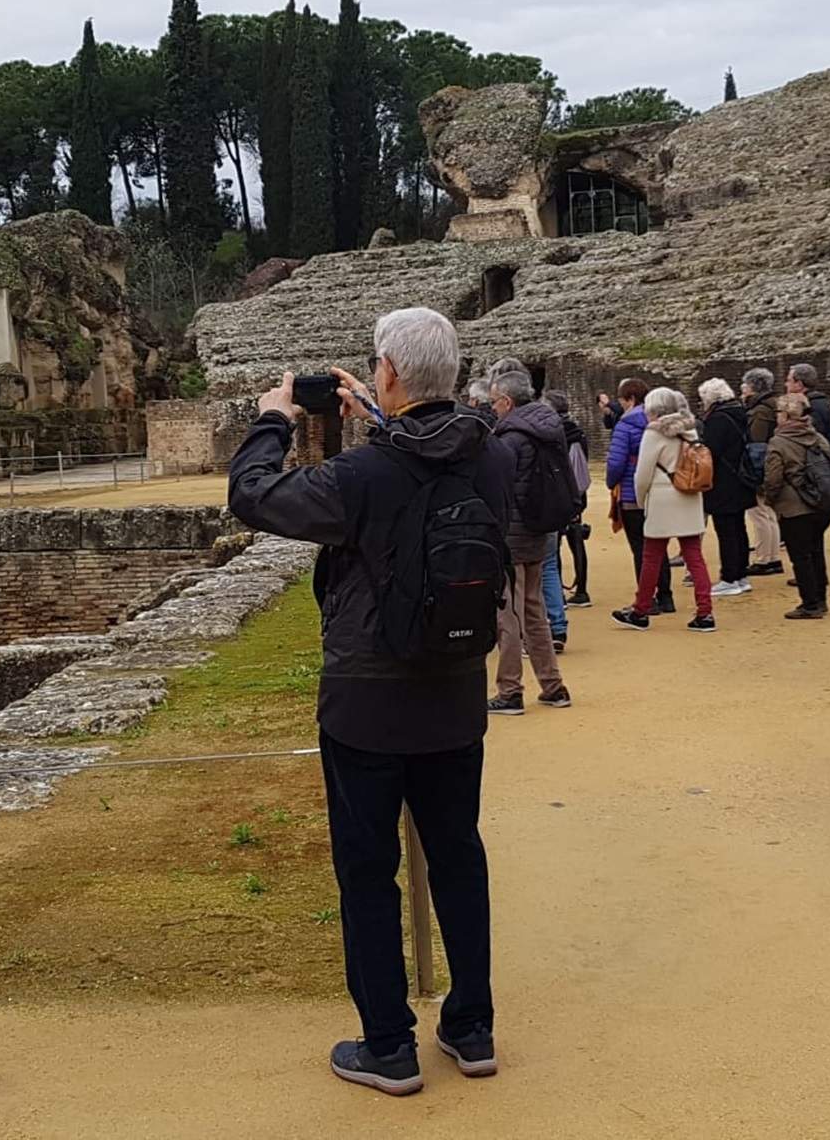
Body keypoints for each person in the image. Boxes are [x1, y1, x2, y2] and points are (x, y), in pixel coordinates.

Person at [227, 306, 503, 1097]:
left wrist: (272, 422)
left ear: (386, 371)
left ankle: (389, 1042)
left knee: (367, 868)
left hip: (367, 696)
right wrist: (381, 421)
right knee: (458, 855)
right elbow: (430, 462)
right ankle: (472, 1025)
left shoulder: (362, 476)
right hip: (453, 690)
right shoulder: (487, 458)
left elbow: (255, 496)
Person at [482, 360, 573, 715]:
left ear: (506, 402)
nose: (492, 408)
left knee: (508, 615)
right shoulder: (549, 428)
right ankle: (552, 685)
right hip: (540, 530)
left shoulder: (511, 437)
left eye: (494, 402)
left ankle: (510, 690)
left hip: (513, 535)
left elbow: (500, 488)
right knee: (534, 611)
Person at [612, 387, 716, 632]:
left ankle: (641, 609)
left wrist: (640, 501)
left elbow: (643, 474)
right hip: (689, 495)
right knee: (694, 556)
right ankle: (705, 612)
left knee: (651, 557)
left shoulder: (654, 433)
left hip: (662, 497)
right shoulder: (689, 429)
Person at [759, 393, 830, 618]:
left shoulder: (779, 442)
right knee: (815, 550)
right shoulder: (818, 438)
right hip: (821, 503)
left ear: (784, 415)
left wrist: (770, 499)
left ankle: (810, 603)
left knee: (800, 555)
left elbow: (773, 477)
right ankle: (820, 598)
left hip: (795, 506)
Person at [603, 378, 672, 614]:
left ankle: (647, 597)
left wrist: (611, 482)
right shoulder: (663, 422)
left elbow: (616, 462)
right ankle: (665, 596)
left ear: (630, 399)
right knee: (659, 543)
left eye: (622, 401)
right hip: (661, 490)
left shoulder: (626, 425)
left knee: (640, 547)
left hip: (633, 492)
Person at [697, 377, 754, 596]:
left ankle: (730, 576)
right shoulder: (739, 413)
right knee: (738, 529)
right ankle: (740, 575)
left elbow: (710, 451)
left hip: (724, 482)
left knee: (727, 531)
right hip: (740, 478)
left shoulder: (718, 419)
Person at [544, 390, 591, 615]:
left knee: (555, 546)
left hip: (560, 493)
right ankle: (581, 589)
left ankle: (559, 593)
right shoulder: (578, 431)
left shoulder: (553, 433)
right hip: (578, 493)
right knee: (577, 539)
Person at [741, 368, 785, 577]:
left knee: (759, 513)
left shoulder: (759, 411)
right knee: (768, 514)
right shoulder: (773, 405)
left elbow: (755, 443)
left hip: (760, 467)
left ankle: (764, 558)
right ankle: (772, 556)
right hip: (771, 464)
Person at [788, 363, 830, 452]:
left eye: (789, 381)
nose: (786, 384)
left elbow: (813, 440)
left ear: (799, 384)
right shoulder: (823, 403)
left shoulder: (811, 408)